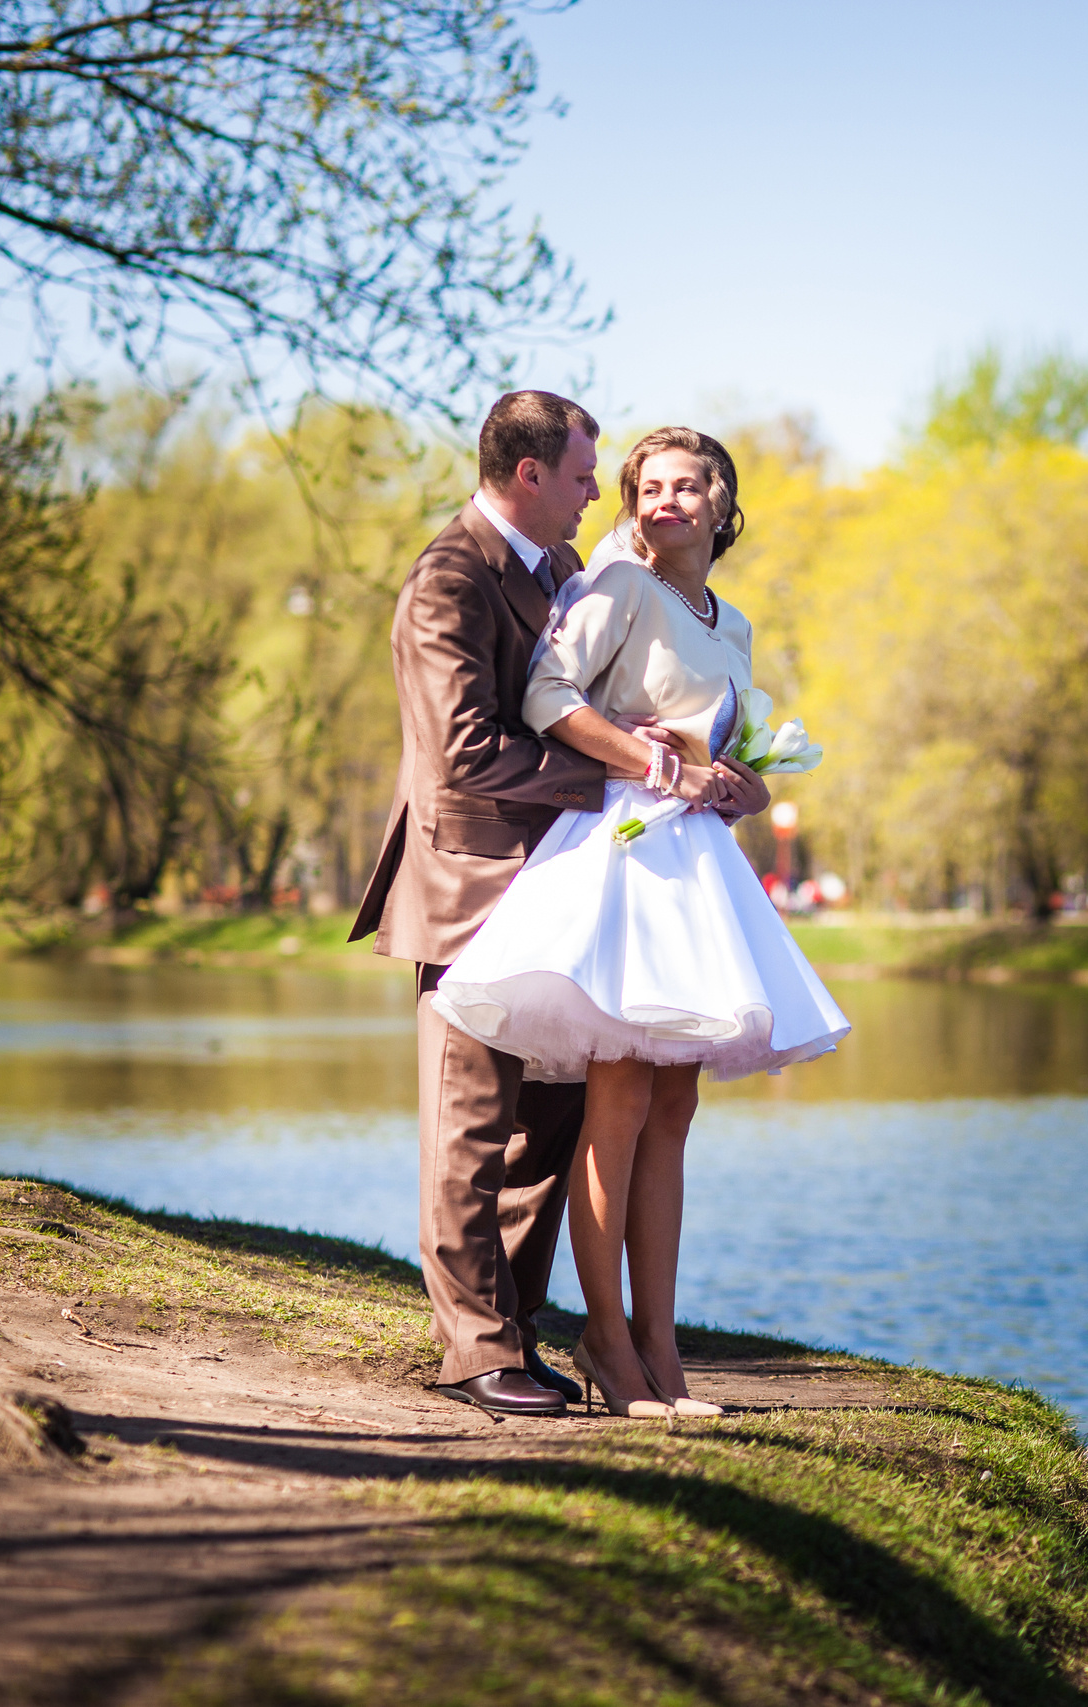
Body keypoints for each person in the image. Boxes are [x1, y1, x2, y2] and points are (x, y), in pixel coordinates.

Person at [350, 392, 762, 1417]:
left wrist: (699, 773)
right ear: (530, 474)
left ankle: (521, 1332)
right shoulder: (449, 578)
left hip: (565, 880)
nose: (597, 496)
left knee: (546, 1130)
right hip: (470, 881)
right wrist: (624, 773)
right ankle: (475, 1351)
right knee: (470, 1127)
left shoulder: (564, 571)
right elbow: (465, 751)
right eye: (586, 477)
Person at [431, 426, 850, 1419]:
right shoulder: (618, 586)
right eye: (647, 486)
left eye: (686, 485)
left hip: (696, 865)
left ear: (721, 503)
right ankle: (608, 1346)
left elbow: (721, 751)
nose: (666, 500)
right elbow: (546, 695)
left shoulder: (732, 623)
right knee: (617, 1100)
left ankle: (663, 1354)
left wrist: (740, 787)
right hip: (620, 853)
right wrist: (653, 761)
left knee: (674, 1109)